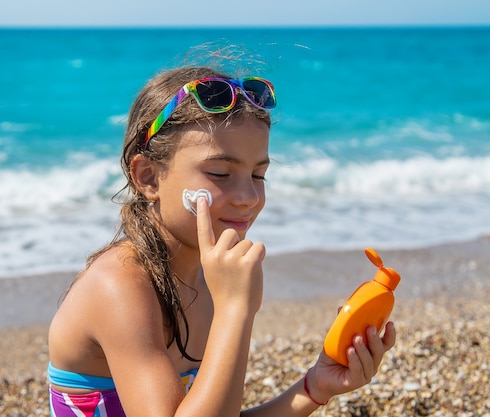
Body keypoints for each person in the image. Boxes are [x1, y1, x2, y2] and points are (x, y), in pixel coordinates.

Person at [47, 64, 396, 417]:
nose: (248, 196)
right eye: (220, 173)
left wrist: (315, 387)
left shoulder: (209, 276)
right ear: (149, 177)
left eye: (259, 174)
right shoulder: (119, 287)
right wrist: (235, 310)